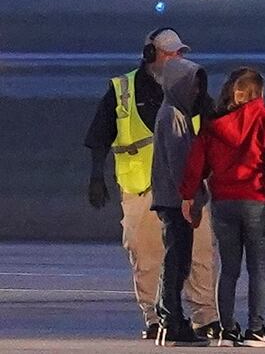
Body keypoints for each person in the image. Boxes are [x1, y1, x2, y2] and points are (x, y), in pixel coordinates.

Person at [82, 27, 214, 341]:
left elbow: (214, 128)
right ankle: (156, 318)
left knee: (201, 253)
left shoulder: (191, 87)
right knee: (147, 255)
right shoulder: (123, 89)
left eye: (180, 53)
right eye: (170, 53)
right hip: (140, 186)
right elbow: (100, 135)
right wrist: (97, 176)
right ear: (150, 54)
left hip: (186, 186)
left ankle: (206, 316)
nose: (176, 59)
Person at [180, 68, 265, 347]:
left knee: (228, 269)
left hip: (223, 203)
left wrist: (188, 195)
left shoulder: (213, 123)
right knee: (258, 268)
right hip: (256, 201)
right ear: (258, 93)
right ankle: (255, 329)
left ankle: (227, 330)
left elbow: (196, 163)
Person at [151, 57, 219, 345]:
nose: (196, 92)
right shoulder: (174, 116)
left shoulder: (176, 113)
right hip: (176, 199)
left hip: (173, 198)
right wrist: (193, 197)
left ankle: (167, 313)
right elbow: (181, 164)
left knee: (177, 259)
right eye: (192, 86)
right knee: (177, 261)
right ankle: (172, 318)